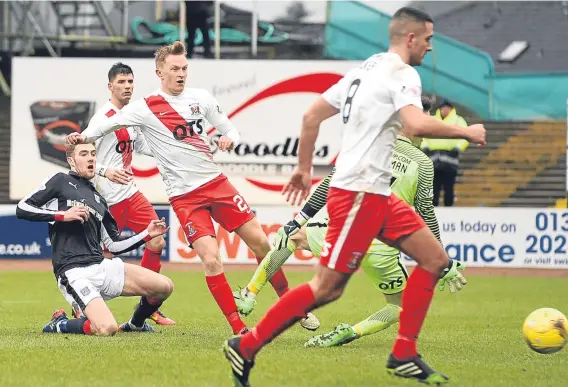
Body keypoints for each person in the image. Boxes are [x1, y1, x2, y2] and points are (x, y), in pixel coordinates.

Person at [222, 7, 486, 387]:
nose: (430, 47)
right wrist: (465, 133)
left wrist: (302, 168)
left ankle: (404, 353)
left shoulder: (366, 69)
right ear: (410, 38)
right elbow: (413, 124)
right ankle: (245, 345)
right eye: (428, 39)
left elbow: (312, 115)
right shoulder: (402, 73)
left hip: (377, 193)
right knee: (326, 288)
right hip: (359, 193)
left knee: (434, 259)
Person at [65, 41, 296, 336]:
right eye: (175, 68)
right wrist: (82, 138)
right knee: (205, 259)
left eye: (184, 68)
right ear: (160, 72)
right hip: (156, 197)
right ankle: (238, 328)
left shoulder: (200, 98)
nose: (181, 73)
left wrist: (229, 139)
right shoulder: (139, 109)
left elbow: (228, 129)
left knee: (258, 244)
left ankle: (289, 303)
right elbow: (97, 134)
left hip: (203, 185)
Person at [304, 96, 466, 348]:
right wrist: (441, 258)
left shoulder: (367, 144)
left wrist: (303, 216)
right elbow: (426, 213)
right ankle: (350, 332)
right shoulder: (422, 162)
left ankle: (255, 310)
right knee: (400, 305)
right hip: (382, 246)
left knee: (301, 259)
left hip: (347, 235)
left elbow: (331, 184)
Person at [16, 142, 173, 336]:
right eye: (84, 154)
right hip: (73, 271)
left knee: (164, 286)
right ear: (71, 160)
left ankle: (136, 323)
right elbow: (22, 208)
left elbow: (114, 245)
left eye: (93, 154)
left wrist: (147, 234)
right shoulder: (60, 181)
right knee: (107, 329)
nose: (91, 158)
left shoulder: (98, 198)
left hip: (101, 266)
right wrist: (61, 215)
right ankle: (60, 323)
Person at [69, 62, 174, 326]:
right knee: (97, 259)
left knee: (157, 239)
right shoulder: (102, 118)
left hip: (130, 195)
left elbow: (140, 145)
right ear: (110, 86)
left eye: (130, 82)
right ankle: (84, 306)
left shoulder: (132, 115)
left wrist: (170, 147)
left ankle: (147, 305)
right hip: (104, 200)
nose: (127, 87)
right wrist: (105, 172)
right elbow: (82, 155)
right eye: (121, 82)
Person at [421, 99, 469, 207]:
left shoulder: (458, 120)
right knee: (433, 187)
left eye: (447, 108)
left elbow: (466, 136)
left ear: (451, 109)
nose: (444, 110)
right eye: (442, 108)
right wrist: (424, 146)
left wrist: (458, 148)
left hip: (450, 159)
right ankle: (433, 210)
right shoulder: (432, 120)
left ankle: (449, 208)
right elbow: (423, 134)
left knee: (449, 187)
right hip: (433, 159)